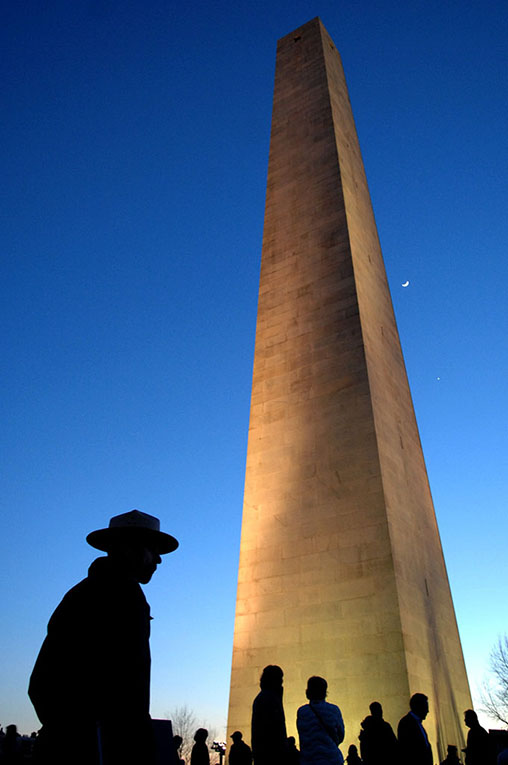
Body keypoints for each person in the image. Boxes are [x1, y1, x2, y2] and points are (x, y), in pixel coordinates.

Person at [28, 509, 178, 765]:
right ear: (129, 549)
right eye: (153, 550)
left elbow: (41, 684)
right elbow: (128, 691)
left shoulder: (85, 593)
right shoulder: (121, 597)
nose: (158, 560)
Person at [296, 676, 345, 765]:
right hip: (332, 759)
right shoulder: (333, 710)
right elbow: (341, 735)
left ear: (308, 692)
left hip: (309, 760)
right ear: (325, 692)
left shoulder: (302, 712)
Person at [251, 665, 288, 765]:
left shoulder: (266, 697)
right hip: (271, 755)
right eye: (280, 678)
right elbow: (274, 729)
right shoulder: (268, 698)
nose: (282, 681)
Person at [397, 693, 433, 765]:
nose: (427, 711)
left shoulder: (415, 724)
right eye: (426, 707)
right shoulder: (406, 723)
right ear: (419, 707)